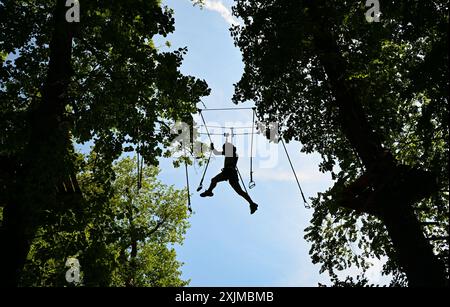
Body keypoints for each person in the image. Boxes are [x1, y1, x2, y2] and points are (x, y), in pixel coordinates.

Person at [200, 142, 258, 214]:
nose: (224, 150)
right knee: (238, 191)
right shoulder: (229, 153)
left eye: (225, 149)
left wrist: (215, 149)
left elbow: (221, 153)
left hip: (230, 172)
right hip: (229, 173)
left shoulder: (234, 154)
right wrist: (213, 148)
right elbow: (217, 153)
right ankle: (252, 204)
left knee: (238, 191)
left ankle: (252, 204)